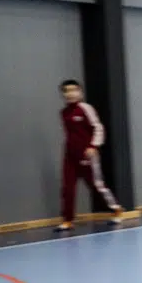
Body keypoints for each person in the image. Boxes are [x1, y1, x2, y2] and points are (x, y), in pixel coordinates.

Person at [56, 79, 124, 231]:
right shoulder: (64, 113)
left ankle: (116, 209)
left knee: (96, 185)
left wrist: (93, 146)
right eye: (66, 91)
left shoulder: (86, 109)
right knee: (67, 188)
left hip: (87, 155)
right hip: (70, 156)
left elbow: (98, 128)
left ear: (80, 92)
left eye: (73, 90)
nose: (70, 93)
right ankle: (67, 220)